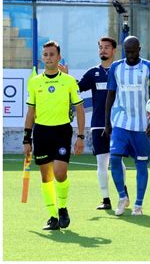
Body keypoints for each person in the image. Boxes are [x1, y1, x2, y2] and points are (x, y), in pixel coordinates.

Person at [23, 41, 85, 230]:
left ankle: (63, 207)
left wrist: (81, 136)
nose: (48, 58)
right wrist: (27, 139)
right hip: (41, 132)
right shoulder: (34, 82)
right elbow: (31, 112)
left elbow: (80, 109)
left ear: (59, 57)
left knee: (59, 173)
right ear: (43, 58)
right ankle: (52, 216)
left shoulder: (68, 81)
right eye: (46, 55)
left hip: (62, 131)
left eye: (52, 54)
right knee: (46, 176)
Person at [72, 37, 128, 210]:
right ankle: (105, 199)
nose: (103, 50)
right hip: (98, 124)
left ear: (114, 50)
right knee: (101, 162)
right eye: (100, 47)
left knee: (117, 161)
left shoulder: (122, 70)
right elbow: (76, 88)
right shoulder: (92, 73)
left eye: (106, 47)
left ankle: (123, 195)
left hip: (119, 123)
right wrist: (65, 78)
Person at [105, 36, 150, 216]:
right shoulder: (116, 68)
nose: (130, 55)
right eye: (127, 52)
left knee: (141, 165)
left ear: (139, 49)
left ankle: (138, 205)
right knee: (114, 158)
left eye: (133, 51)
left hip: (142, 125)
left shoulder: (149, 68)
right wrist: (107, 123)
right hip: (121, 121)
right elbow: (110, 95)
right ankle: (122, 197)